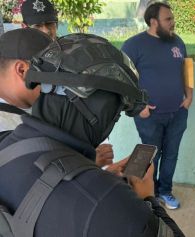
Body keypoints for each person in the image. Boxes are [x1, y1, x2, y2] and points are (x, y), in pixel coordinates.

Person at [0, 33, 184, 237]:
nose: (115, 119)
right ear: (101, 107)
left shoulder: (5, 143)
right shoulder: (112, 202)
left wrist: (92, 173)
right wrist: (147, 197)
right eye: (117, 110)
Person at [0, 28, 115, 169]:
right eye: (50, 78)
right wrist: (86, 164)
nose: (56, 88)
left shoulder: (26, 107)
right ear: (22, 71)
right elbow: (23, 178)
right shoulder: (4, 124)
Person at [122, 2, 192, 209]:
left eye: (172, 18)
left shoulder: (177, 42)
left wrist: (189, 96)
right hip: (149, 115)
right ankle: (145, 195)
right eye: (168, 19)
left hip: (178, 112)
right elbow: (124, 79)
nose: (173, 23)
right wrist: (138, 107)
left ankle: (165, 192)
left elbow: (186, 71)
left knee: (172, 154)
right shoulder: (133, 45)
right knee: (151, 155)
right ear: (153, 22)